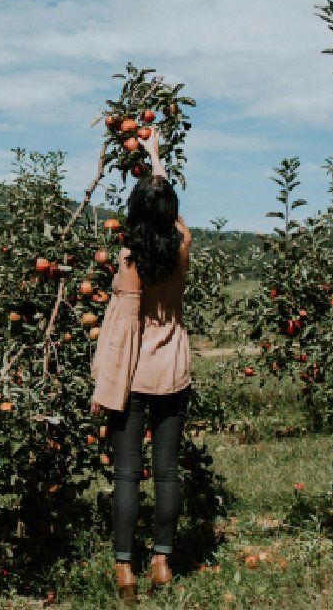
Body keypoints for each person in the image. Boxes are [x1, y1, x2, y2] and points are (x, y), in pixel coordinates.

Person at [89, 125, 192, 604]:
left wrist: (105, 389)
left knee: (128, 475)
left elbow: (123, 333)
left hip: (132, 377)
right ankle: (162, 560)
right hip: (172, 369)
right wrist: (157, 160)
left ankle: (125, 569)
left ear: (133, 212)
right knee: (167, 472)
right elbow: (164, 211)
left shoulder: (130, 259)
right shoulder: (183, 243)